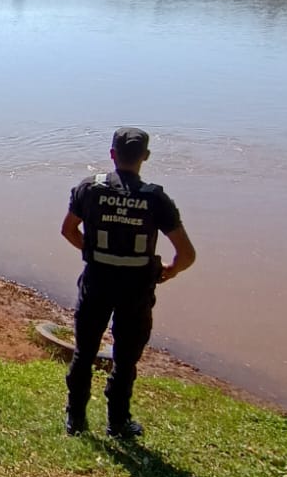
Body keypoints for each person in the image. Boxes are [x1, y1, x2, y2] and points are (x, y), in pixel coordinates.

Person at [60, 126, 196, 439]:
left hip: (96, 282)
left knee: (85, 351)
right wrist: (170, 271)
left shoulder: (88, 189)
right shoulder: (155, 199)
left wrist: (93, 252)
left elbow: (68, 230)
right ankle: (118, 422)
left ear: (112, 154)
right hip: (135, 290)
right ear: (145, 157)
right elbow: (186, 254)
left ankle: (76, 420)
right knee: (125, 357)